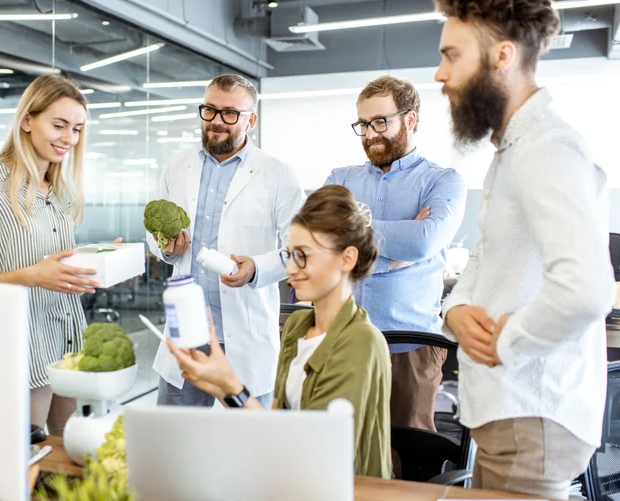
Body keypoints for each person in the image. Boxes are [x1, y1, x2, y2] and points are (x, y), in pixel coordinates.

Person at [434, 1, 615, 497]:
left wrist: (505, 342)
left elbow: (587, 288)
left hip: (530, 412)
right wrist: (455, 309)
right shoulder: (514, 149)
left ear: (502, 56)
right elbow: (486, 259)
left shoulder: (546, 147)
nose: (440, 73)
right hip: (510, 415)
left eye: (452, 55)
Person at [168, 184, 392, 478]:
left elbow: (315, 460)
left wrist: (232, 384)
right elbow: (275, 428)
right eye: (289, 255)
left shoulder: (361, 343)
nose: (290, 269)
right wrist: (219, 385)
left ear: (347, 258)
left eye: (304, 256)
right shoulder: (299, 326)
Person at [0, 74, 119, 436]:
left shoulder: (60, 192)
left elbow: (56, 266)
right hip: (22, 354)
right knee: (25, 471)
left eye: (76, 129)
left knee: (70, 468)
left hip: (69, 348)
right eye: (59, 125)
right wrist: (29, 277)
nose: (69, 139)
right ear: (27, 121)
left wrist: (102, 259)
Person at [148, 74, 306, 409]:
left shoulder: (277, 173)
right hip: (186, 333)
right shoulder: (178, 165)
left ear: (251, 119)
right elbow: (153, 232)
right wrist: (163, 247)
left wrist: (256, 269)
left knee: (247, 448)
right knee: (175, 445)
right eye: (210, 110)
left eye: (230, 114)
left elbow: (300, 249)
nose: (217, 121)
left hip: (246, 339)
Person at [325, 76, 466, 431]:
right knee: (347, 451)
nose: (370, 133)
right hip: (347, 341)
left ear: (410, 120)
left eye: (380, 122)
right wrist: (397, 255)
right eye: (363, 124)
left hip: (412, 345)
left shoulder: (442, 180)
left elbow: (423, 241)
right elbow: (321, 239)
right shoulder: (340, 178)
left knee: (410, 453)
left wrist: (357, 244)